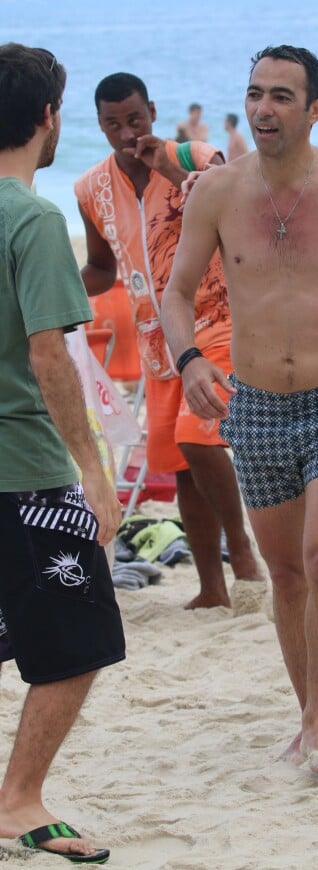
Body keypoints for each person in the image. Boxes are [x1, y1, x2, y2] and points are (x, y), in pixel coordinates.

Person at [161, 45, 318, 773]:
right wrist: (190, 360)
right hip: (257, 400)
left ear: (315, 110)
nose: (263, 109)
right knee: (286, 572)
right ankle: (308, 714)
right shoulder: (215, 191)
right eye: (255, 94)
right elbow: (176, 293)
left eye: (280, 97)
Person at [0, 42, 125, 863]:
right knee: (80, 640)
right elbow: (49, 355)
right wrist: (90, 466)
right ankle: (18, 802)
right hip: (23, 468)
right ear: (50, 118)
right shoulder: (33, 217)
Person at [74, 73, 264, 613]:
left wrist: (171, 168)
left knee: (197, 439)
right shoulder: (90, 188)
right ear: (101, 125)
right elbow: (99, 266)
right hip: (157, 342)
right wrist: (48, 287)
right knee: (182, 468)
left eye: (134, 119)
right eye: (112, 123)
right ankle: (212, 586)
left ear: (152, 111)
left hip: (218, 319)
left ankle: (242, 548)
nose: (125, 131)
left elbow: (242, 212)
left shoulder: (199, 155)